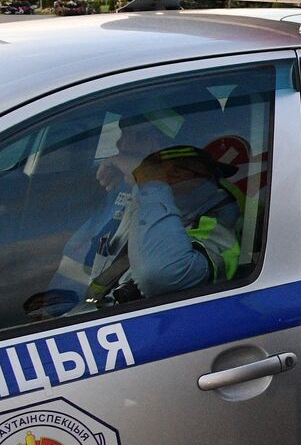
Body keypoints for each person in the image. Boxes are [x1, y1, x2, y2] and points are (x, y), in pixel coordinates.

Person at [33, 121, 241, 319]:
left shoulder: (217, 216)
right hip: (71, 314)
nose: (119, 145)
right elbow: (78, 250)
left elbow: (160, 273)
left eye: (135, 136)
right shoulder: (136, 194)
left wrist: (149, 183)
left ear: (177, 169)